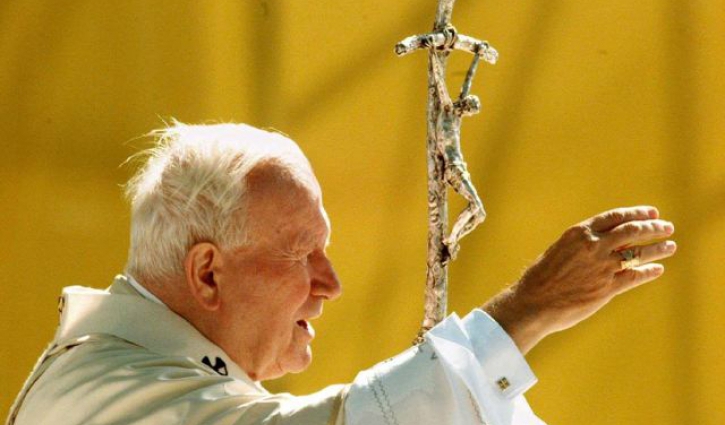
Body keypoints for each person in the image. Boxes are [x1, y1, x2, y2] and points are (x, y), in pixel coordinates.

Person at [6, 122, 677, 425]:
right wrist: (524, 311)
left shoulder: (155, 369)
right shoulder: (109, 394)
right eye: (301, 252)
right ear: (207, 273)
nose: (330, 283)